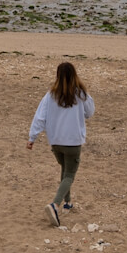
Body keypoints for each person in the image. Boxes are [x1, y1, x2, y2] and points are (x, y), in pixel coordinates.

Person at [26, 62, 95, 227]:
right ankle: (55, 204)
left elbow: (40, 117)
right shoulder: (80, 94)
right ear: (75, 75)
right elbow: (90, 112)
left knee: (65, 170)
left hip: (56, 141)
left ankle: (67, 203)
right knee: (70, 174)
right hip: (73, 141)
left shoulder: (50, 95)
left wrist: (32, 137)